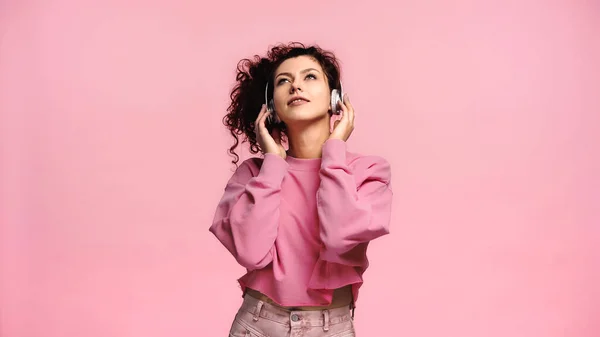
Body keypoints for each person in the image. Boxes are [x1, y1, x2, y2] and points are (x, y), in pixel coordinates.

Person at [209, 42, 393, 337]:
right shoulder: (253, 175)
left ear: (336, 99)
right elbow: (251, 253)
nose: (296, 86)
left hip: (331, 327)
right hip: (257, 325)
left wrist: (334, 149)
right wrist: (272, 164)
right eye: (284, 81)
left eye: (310, 77)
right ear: (271, 107)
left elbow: (339, 236)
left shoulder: (368, 171)